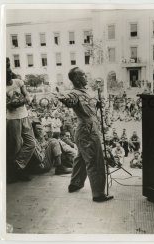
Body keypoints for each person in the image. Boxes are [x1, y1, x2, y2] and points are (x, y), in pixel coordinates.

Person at [56, 67, 113, 202]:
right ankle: (98, 194)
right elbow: (69, 100)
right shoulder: (74, 93)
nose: (86, 77)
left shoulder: (85, 92)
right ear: (76, 79)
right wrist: (61, 96)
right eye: (83, 75)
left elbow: (89, 106)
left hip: (87, 129)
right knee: (95, 160)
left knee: (81, 157)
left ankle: (75, 183)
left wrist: (97, 104)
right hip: (87, 130)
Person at [6, 67, 36, 183]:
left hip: (24, 116)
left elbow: (26, 95)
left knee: (31, 143)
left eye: (9, 72)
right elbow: (10, 105)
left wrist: (27, 98)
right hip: (12, 119)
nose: (9, 75)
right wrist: (23, 100)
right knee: (15, 147)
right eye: (6, 73)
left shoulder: (18, 82)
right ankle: (16, 173)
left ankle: (17, 165)